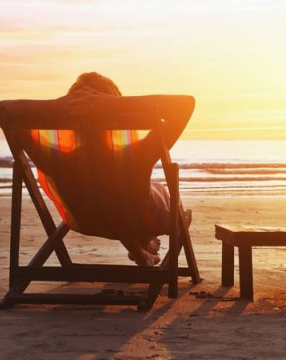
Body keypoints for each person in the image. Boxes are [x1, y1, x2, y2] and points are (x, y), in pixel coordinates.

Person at [11, 72, 187, 266]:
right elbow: (185, 106)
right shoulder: (135, 156)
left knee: (112, 197)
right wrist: (113, 104)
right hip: (139, 220)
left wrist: (60, 106)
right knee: (150, 193)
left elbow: (1, 110)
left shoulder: (56, 160)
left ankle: (141, 252)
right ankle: (144, 240)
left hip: (86, 220)